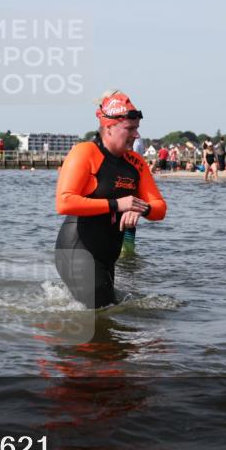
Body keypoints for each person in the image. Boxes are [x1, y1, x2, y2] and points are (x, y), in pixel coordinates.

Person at [54, 91, 167, 308]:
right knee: (101, 319)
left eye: (137, 128)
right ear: (109, 127)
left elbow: (160, 208)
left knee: (108, 314)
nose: (137, 135)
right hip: (77, 249)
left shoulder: (136, 163)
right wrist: (117, 204)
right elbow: (64, 202)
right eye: (130, 129)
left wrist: (140, 208)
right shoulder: (85, 152)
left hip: (107, 257)